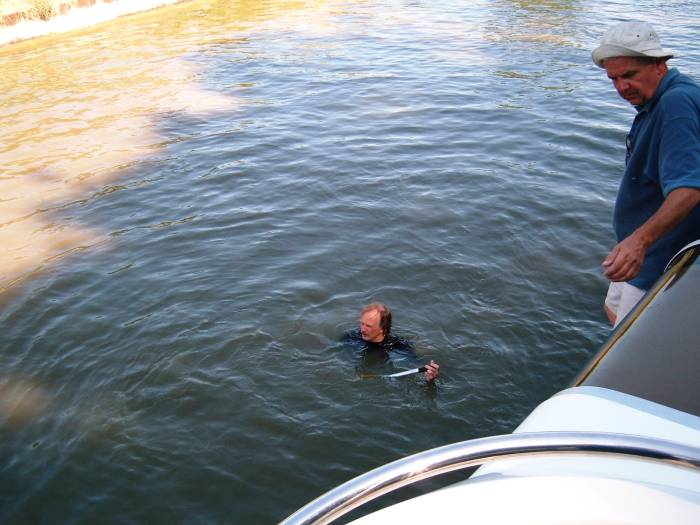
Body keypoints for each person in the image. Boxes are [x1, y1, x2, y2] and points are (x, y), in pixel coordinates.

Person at [592, 21, 700, 326]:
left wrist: (639, 242)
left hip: (658, 257)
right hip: (640, 254)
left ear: (659, 64)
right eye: (613, 78)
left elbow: (689, 188)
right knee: (613, 310)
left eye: (630, 75)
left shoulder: (675, 104)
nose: (621, 87)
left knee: (626, 345)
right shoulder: (659, 101)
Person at [342, 302, 440, 381]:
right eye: (362, 323)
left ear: (382, 328)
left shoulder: (398, 345)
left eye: (368, 326)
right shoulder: (352, 337)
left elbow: (416, 367)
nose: (362, 329)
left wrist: (429, 377)